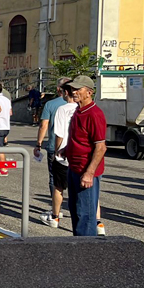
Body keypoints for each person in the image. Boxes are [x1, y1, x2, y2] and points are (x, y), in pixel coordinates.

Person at [58, 75, 107, 237]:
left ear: (89, 92)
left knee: (85, 214)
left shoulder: (94, 114)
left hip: (85, 171)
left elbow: (100, 147)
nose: (74, 92)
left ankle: (87, 248)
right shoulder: (78, 111)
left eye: (78, 89)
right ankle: (79, 244)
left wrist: (89, 173)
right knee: (76, 210)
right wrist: (67, 149)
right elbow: (80, 139)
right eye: (72, 89)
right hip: (74, 168)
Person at [36, 78, 72, 228]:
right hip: (76, 149)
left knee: (55, 181)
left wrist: (38, 143)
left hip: (56, 147)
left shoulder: (51, 105)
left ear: (59, 89)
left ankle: (56, 210)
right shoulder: (80, 106)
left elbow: (44, 125)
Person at [46, 88, 77, 230]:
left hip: (64, 153)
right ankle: (97, 221)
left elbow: (59, 134)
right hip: (79, 154)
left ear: (65, 93)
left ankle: (55, 216)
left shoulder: (62, 109)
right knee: (87, 189)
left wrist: (57, 151)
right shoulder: (82, 109)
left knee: (58, 186)